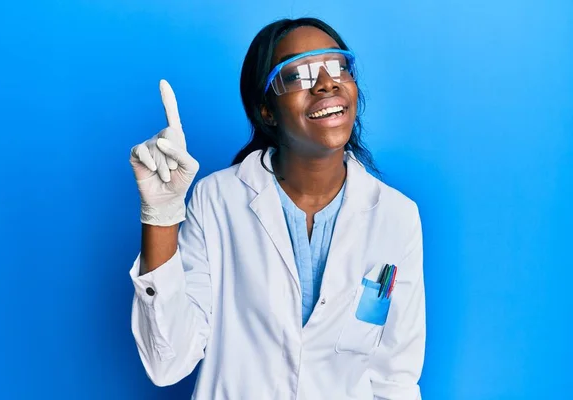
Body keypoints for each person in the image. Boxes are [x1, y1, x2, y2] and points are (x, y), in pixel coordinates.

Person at [128, 17, 425, 400]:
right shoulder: (217, 201)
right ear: (266, 111)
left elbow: (395, 378)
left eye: (337, 67)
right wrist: (162, 217)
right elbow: (166, 362)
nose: (326, 83)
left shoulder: (396, 216)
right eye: (298, 75)